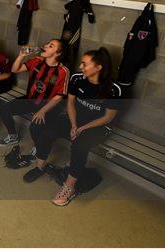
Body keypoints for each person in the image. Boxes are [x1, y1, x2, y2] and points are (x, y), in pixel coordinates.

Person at [25, 48, 122, 206]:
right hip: (75, 119)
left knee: (79, 146)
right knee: (47, 131)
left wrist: (82, 129)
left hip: (98, 126)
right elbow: (70, 103)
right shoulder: (77, 78)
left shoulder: (113, 89)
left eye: (85, 64)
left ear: (98, 68)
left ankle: (68, 188)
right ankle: (39, 167)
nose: (81, 67)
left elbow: (108, 117)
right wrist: (74, 124)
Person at [0, 39, 70, 149]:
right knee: (4, 109)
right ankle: (13, 136)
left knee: (35, 128)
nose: (45, 45)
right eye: (47, 43)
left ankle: (38, 147)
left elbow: (59, 96)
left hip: (47, 106)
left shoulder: (63, 71)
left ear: (58, 53)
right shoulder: (37, 60)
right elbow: (14, 70)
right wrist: (21, 55)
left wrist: (42, 111)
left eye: (51, 46)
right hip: (30, 99)